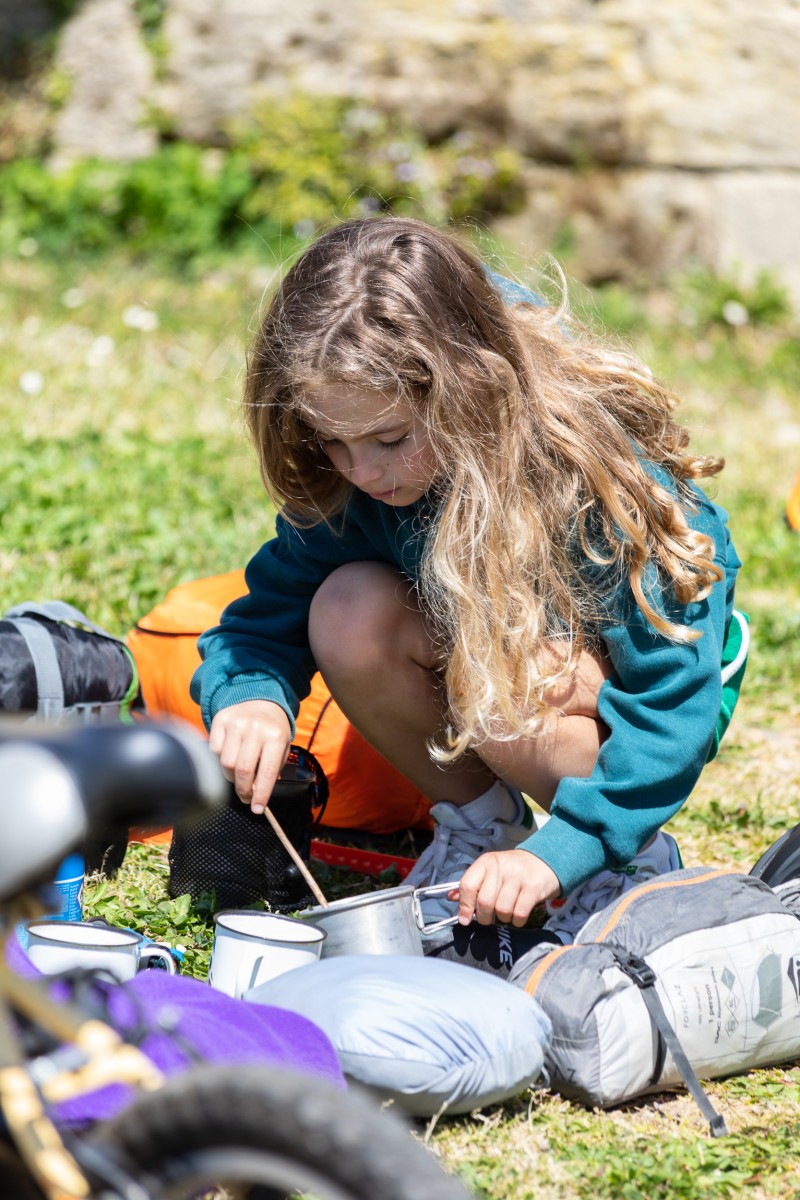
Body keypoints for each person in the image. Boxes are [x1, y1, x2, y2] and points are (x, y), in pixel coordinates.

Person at [191, 216, 747, 943]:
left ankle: (625, 861)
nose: (362, 472)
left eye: (389, 440)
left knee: (515, 667)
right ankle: (483, 831)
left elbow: (672, 705)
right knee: (347, 607)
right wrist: (254, 700)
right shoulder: (360, 481)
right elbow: (263, 622)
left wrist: (568, 848)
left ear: (468, 390)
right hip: (491, 656)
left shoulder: (599, 490)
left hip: (622, 702)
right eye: (333, 441)